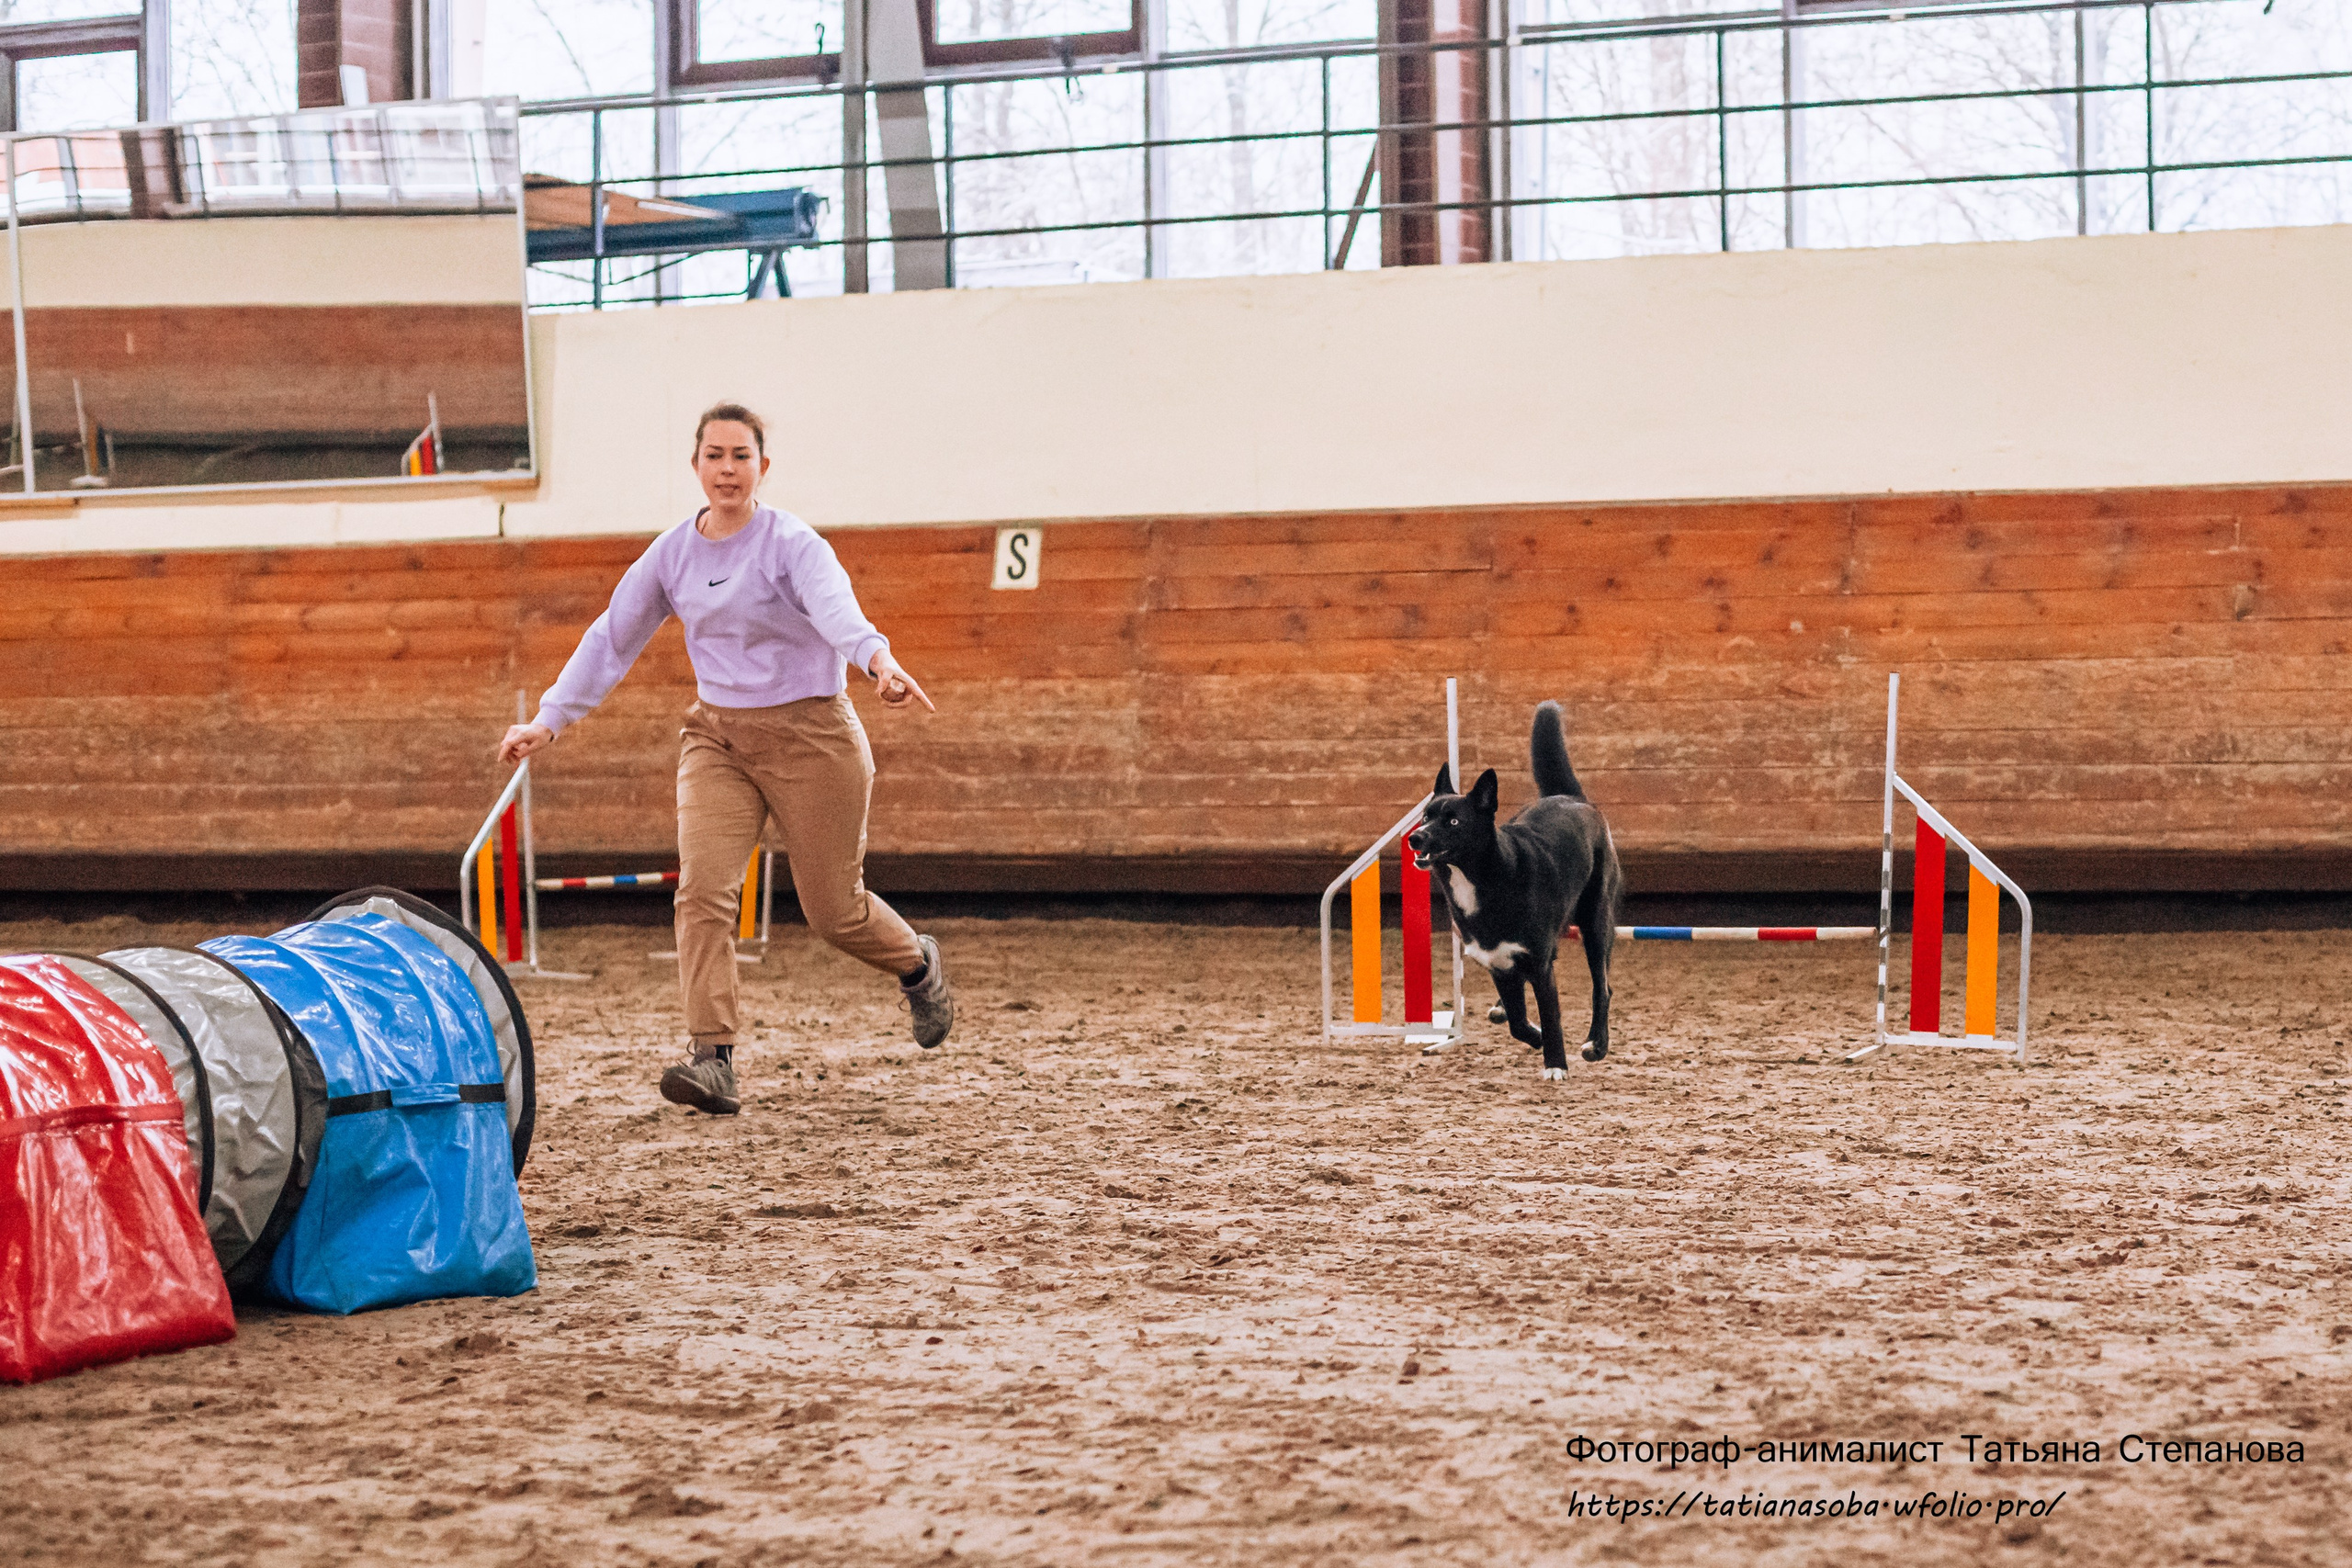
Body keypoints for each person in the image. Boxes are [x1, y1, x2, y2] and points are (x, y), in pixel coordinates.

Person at [498, 401, 953, 1115]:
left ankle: (918, 966)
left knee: (833, 911)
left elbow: (839, 611)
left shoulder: (792, 545)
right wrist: (551, 718)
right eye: (715, 455)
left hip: (814, 737)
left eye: (741, 456)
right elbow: (611, 637)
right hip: (718, 738)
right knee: (702, 889)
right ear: (696, 465)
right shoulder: (673, 554)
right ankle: (713, 1057)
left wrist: (879, 663)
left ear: (762, 468)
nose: (728, 469)